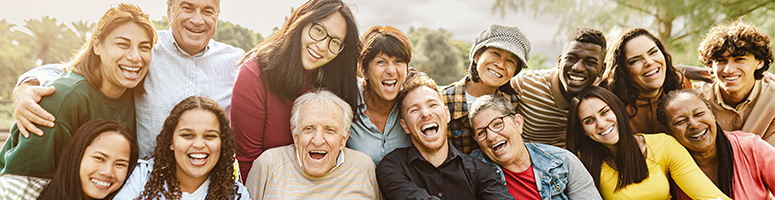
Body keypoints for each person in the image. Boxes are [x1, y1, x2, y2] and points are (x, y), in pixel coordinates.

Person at [12, 0, 245, 158]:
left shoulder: (236, 63)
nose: (197, 19)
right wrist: (27, 86)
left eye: (207, 10)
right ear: (170, 11)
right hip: (141, 182)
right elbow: (74, 69)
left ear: (217, 16)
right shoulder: (145, 50)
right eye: (187, 7)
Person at [0, 3, 155, 179]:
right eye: (122, 44)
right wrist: (23, 86)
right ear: (97, 45)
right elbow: (21, 181)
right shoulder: (64, 97)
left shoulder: (138, 93)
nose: (135, 57)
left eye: (144, 47)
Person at [231, 0, 361, 181]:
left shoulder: (339, 80)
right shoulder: (254, 75)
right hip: (272, 189)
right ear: (300, 22)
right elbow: (248, 163)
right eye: (319, 31)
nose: (323, 46)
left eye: (335, 42)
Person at [566, 86, 729, 199]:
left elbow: (710, 196)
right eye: (589, 121)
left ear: (618, 110)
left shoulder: (663, 145)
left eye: (605, 112)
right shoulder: (582, 163)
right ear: (583, 131)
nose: (601, 124)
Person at [377, 72, 513, 200]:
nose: (425, 113)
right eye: (414, 110)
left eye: (432, 105)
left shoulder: (481, 172)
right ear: (405, 125)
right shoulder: (392, 168)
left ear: (447, 114)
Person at [245, 89, 380, 199]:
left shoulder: (363, 166)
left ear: (344, 139)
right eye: (308, 128)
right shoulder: (268, 165)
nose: (317, 140)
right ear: (295, 136)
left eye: (329, 130)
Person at [114, 96, 249, 200]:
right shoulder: (142, 176)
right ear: (171, 141)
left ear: (222, 143)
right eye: (187, 135)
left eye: (209, 136)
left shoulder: (236, 194)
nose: (199, 144)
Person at [468, 94, 600, 199]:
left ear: (518, 123)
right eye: (481, 133)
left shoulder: (562, 162)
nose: (491, 136)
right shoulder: (472, 170)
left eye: (497, 124)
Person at [656, 89, 775, 200]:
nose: (694, 124)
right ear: (668, 131)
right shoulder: (665, 170)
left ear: (712, 114)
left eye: (699, 114)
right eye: (680, 121)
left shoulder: (751, 147)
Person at [511, 28, 606, 147]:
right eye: (571, 58)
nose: (578, 68)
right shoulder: (526, 84)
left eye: (590, 62)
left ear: (602, 70)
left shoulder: (602, 98)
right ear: (559, 61)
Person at [443, 24, 530, 153]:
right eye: (495, 53)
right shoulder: (443, 100)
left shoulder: (512, 102)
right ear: (477, 56)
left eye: (510, 61)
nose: (500, 64)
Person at [694, 21, 775, 146]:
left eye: (739, 60)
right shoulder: (696, 99)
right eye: (721, 61)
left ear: (759, 62)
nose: (729, 70)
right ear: (710, 65)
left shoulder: (772, 98)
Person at [601, 28, 692, 134]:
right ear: (622, 70)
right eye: (635, 60)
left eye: (653, 52)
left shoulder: (681, 84)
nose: (649, 62)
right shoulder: (609, 105)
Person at [348, 25, 413, 164]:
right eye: (381, 62)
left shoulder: (413, 101)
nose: (391, 71)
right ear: (363, 70)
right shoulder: (347, 100)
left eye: (398, 61)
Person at [33, 119, 139, 200]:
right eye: (99, 158)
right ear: (76, 155)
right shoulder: (25, 192)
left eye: (120, 164)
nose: (108, 172)